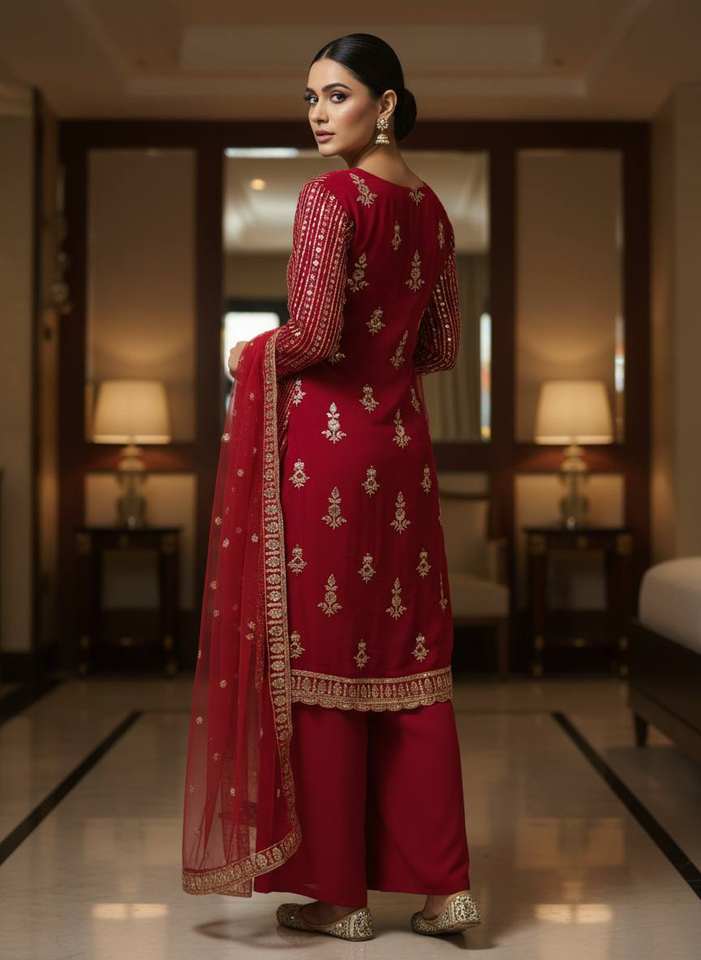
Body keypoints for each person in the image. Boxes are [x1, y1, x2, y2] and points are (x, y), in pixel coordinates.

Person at [181, 32, 481, 941]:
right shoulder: (432, 210)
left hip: (329, 456)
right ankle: (445, 889)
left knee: (322, 661)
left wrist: (247, 353)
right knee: (409, 659)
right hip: (401, 452)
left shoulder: (331, 197)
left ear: (384, 104)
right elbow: (440, 349)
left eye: (336, 94)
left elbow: (310, 335)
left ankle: (341, 895)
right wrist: (380, 361)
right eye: (310, 97)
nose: (318, 114)